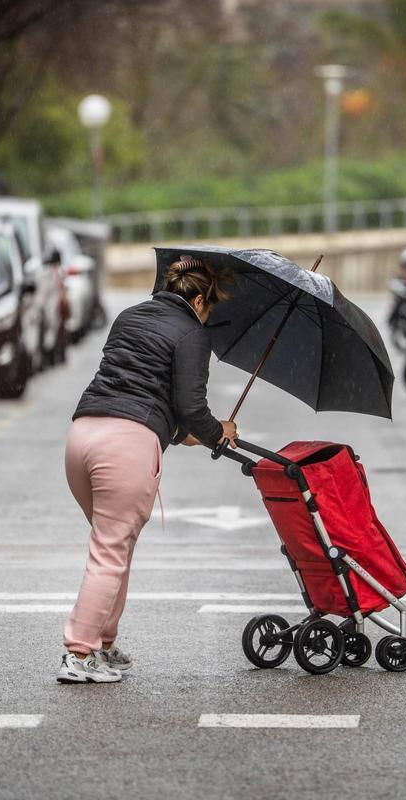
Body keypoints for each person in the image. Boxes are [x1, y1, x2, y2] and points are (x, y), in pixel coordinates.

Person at [56, 256, 238, 684]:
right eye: (209, 308)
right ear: (197, 299)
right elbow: (190, 408)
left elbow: (148, 391)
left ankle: (101, 643)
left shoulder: (130, 316)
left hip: (83, 436)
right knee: (111, 551)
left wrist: (189, 434)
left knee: (112, 548)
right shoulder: (193, 334)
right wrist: (219, 432)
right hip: (126, 447)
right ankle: (80, 654)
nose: (208, 317)